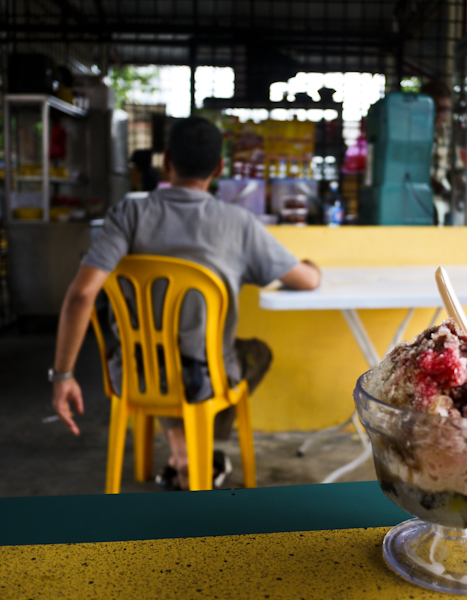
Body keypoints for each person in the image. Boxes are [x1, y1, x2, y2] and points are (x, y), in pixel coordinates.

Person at [51, 117, 321, 490]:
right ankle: (199, 449)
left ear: (166, 164)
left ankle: (182, 452)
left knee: (165, 352)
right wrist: (312, 266)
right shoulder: (238, 222)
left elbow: (82, 293)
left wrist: (63, 375)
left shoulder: (128, 214)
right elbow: (306, 281)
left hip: (134, 372)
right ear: (220, 168)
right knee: (254, 353)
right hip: (204, 377)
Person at [420, 80, 453, 225]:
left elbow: (454, 167)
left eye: (446, 110)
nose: (441, 115)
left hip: (440, 199)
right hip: (416, 196)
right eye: (437, 109)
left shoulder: (446, 132)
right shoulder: (413, 131)